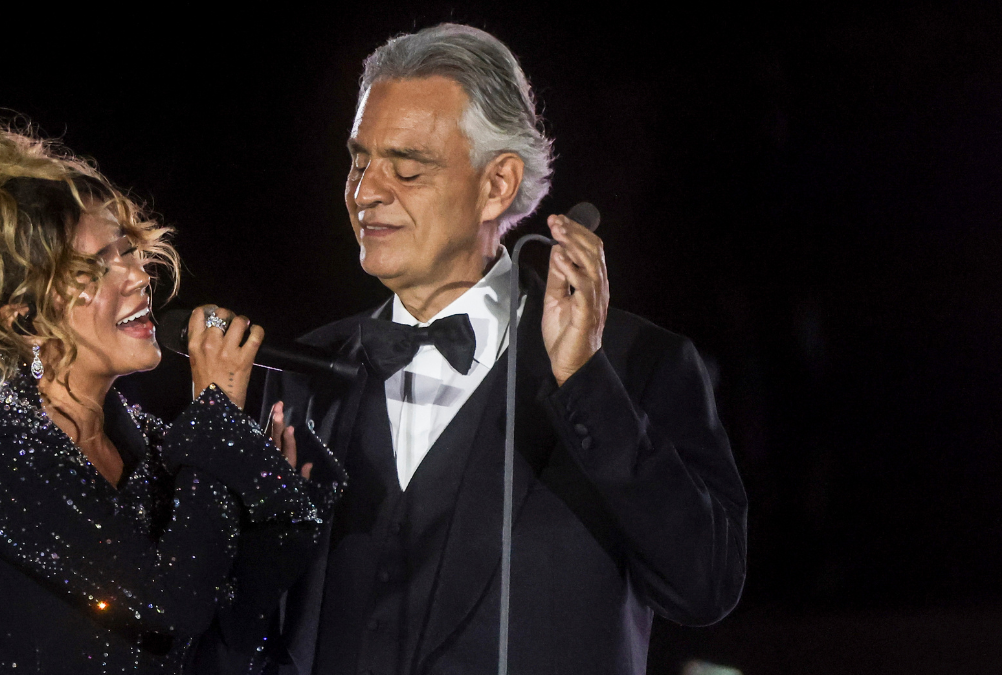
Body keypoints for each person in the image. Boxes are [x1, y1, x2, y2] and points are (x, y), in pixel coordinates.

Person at [260, 24, 748, 674]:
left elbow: (704, 585)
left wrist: (585, 381)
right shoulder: (302, 371)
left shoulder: (639, 363)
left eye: (407, 167)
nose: (365, 191)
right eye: (359, 161)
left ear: (497, 185)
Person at [0, 114, 342, 673]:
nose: (137, 276)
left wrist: (277, 504)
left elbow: (224, 622)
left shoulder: (153, 445)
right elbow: (171, 603)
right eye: (94, 269)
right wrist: (217, 415)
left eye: (128, 251)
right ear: (24, 314)